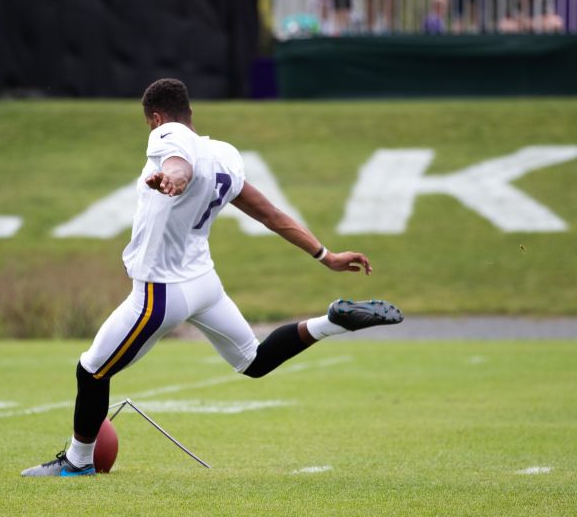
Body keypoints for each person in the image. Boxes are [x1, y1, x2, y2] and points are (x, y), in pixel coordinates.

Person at [20, 79, 403, 478]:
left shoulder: (168, 136)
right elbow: (269, 213)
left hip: (159, 292)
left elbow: (178, 161)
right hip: (203, 284)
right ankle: (331, 323)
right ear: (192, 112)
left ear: (155, 118)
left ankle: (78, 463)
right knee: (252, 360)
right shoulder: (222, 153)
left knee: (92, 370)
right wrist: (325, 255)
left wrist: (174, 177)